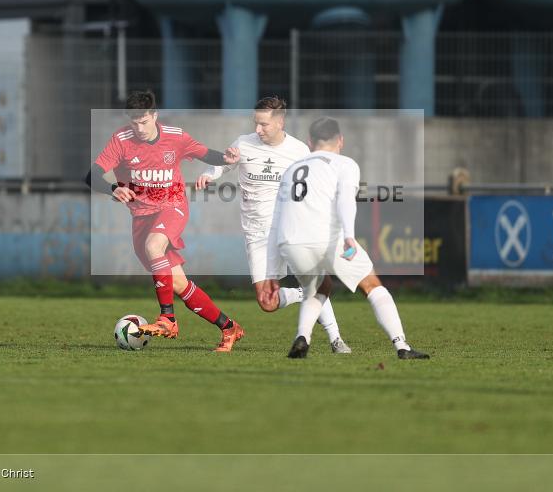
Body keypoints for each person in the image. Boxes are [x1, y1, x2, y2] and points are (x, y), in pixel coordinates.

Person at [88, 91, 246, 352]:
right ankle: (229, 327)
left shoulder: (176, 136)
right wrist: (112, 188)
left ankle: (168, 319)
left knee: (154, 247)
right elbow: (91, 175)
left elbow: (205, 153)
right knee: (180, 284)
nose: (139, 128)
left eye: (144, 121)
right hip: (141, 217)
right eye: (134, 122)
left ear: (155, 115)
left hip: (173, 207)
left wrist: (226, 159)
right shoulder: (121, 140)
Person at [195, 97, 352, 353]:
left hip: (290, 230)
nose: (258, 129)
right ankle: (306, 294)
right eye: (256, 123)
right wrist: (208, 175)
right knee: (267, 302)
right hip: (256, 235)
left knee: (311, 281)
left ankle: (336, 339)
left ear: (280, 122)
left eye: (264, 124)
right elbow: (224, 163)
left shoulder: (299, 150)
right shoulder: (243, 143)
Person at [266, 117, 429, 360]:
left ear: (310, 142)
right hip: (327, 239)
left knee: (317, 288)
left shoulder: (291, 169)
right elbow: (345, 201)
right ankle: (402, 346)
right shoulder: (344, 164)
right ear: (340, 140)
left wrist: (270, 272)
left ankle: (303, 337)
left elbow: (276, 219)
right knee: (372, 285)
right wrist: (349, 236)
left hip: (290, 241)